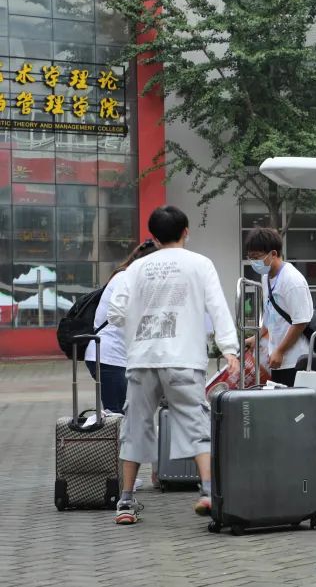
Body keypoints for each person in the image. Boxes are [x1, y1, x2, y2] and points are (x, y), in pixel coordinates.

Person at [108, 206, 240, 525]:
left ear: (153, 237)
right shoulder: (200, 264)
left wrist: (138, 325)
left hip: (142, 358)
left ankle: (125, 501)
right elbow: (218, 307)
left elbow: (115, 313)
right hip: (183, 357)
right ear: (186, 231)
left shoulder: (135, 269)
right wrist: (229, 349)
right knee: (195, 421)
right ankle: (207, 491)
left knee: (135, 425)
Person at [84, 239, 158, 413]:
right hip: (109, 356)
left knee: (126, 414)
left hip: (114, 356)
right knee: (118, 415)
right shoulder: (125, 278)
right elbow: (124, 317)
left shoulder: (129, 277)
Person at [243, 227, 314, 388]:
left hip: (295, 360)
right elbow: (270, 313)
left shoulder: (292, 281)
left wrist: (280, 351)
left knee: (291, 401)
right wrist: (257, 337)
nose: (253, 262)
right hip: (277, 358)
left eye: (256, 257)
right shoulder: (266, 277)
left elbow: (301, 322)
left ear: (273, 254)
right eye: (250, 257)